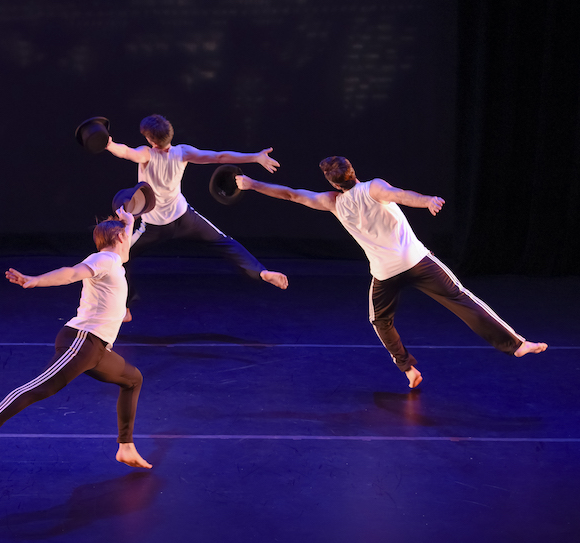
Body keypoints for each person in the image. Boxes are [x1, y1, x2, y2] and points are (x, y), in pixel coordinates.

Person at [235, 156, 548, 388]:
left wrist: (250, 184)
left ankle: (408, 369)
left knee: (379, 321)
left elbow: (290, 194)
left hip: (385, 274)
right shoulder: (373, 188)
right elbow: (400, 195)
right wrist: (427, 202)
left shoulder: (332, 202)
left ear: (333, 183)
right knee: (462, 300)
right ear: (352, 172)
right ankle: (517, 345)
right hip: (417, 261)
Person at [0, 207, 152, 469]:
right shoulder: (103, 259)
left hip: (98, 350)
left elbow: (124, 253)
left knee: (132, 379)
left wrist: (128, 222)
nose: (127, 239)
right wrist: (35, 280)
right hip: (81, 342)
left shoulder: (115, 262)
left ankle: (126, 447)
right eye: (125, 235)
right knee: (41, 387)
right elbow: (71, 273)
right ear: (119, 239)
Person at [104, 114, 289, 320]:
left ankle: (126, 309)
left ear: (150, 140)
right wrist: (255, 157)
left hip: (154, 227)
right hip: (185, 219)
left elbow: (126, 153)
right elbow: (219, 157)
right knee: (225, 242)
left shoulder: (146, 154)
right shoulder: (183, 152)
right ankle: (261, 272)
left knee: (118, 257)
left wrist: (109, 144)